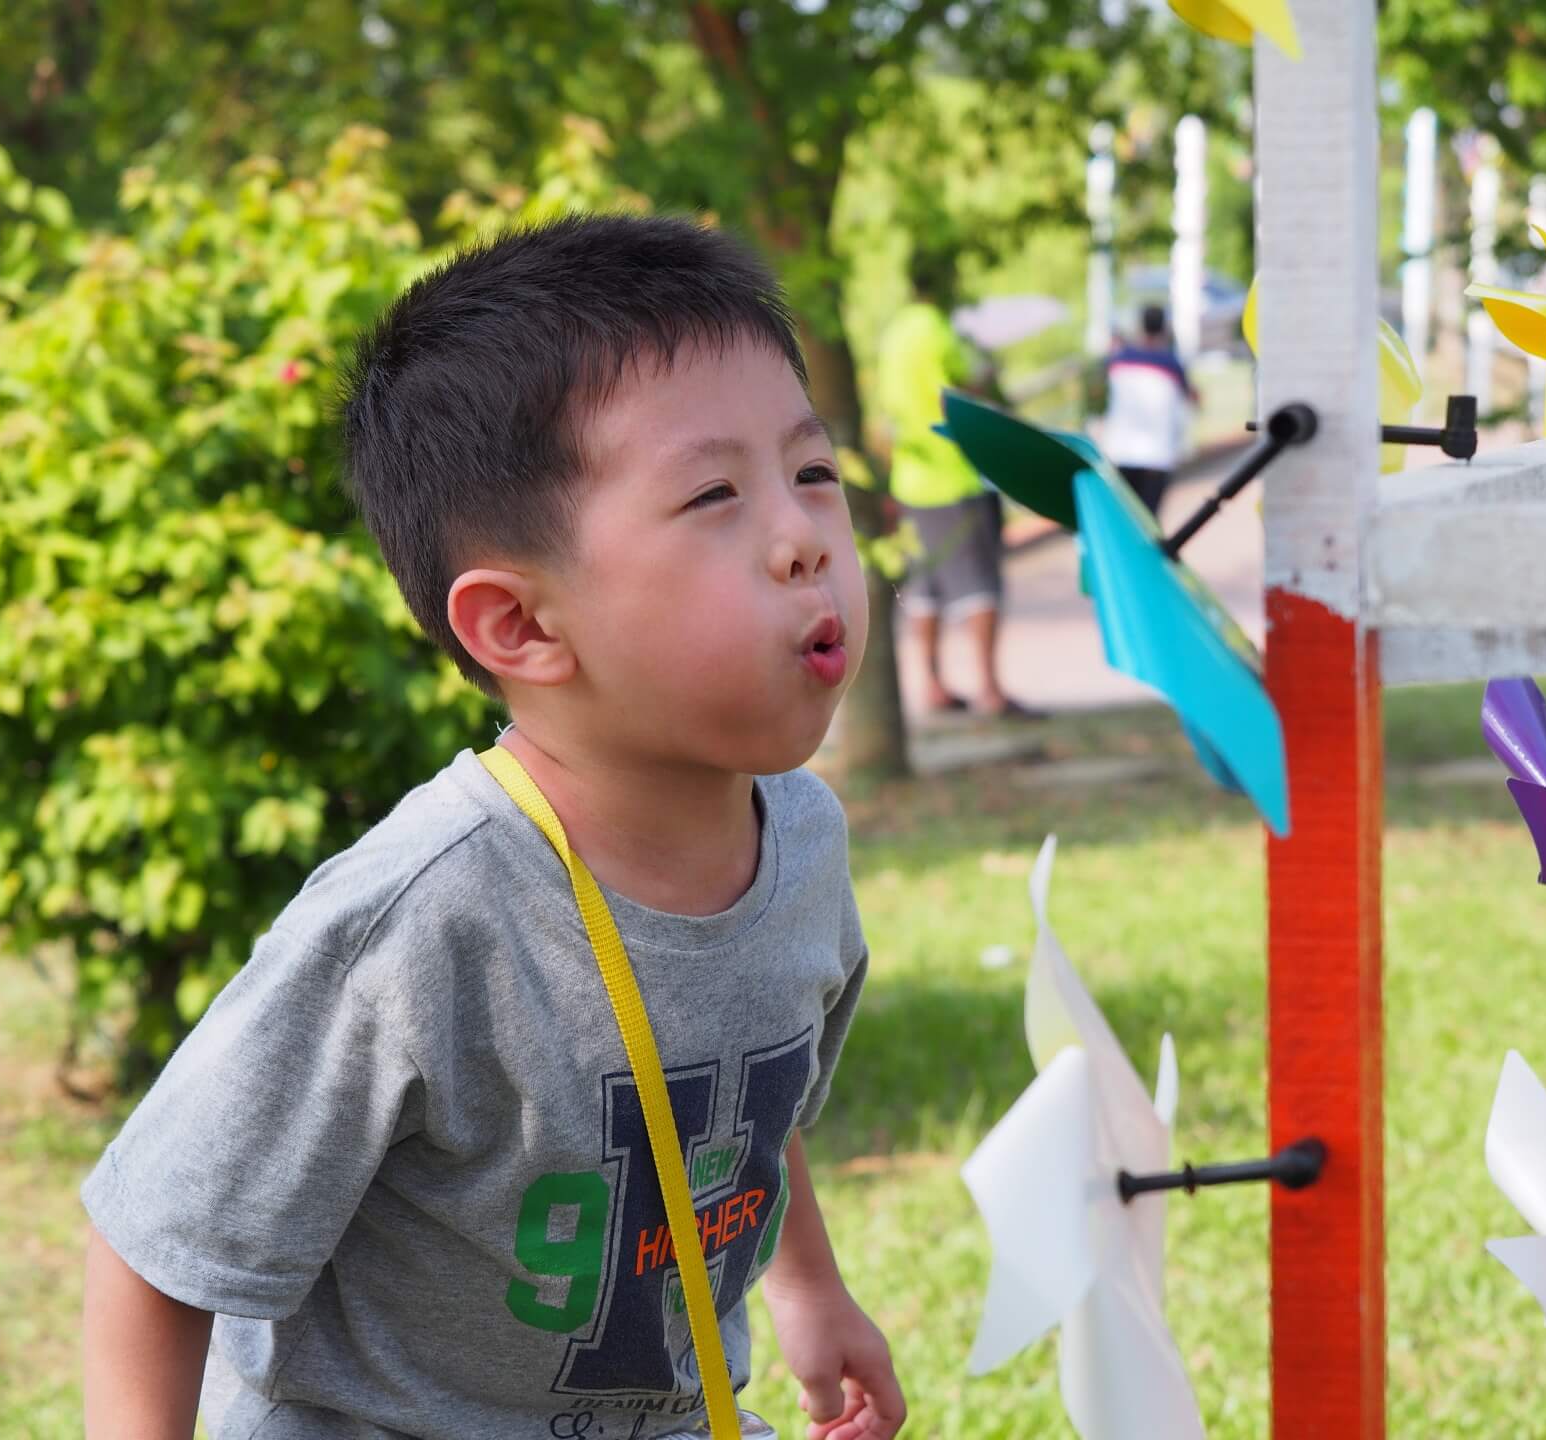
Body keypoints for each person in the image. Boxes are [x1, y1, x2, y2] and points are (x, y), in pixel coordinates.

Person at [80, 215, 906, 1440]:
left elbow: (730, 1116)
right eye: (715, 493)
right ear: (520, 627)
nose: (803, 541)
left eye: (814, 471)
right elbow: (154, 1248)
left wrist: (810, 1289)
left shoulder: (801, 842)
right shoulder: (417, 922)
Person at [878, 251, 1031, 719]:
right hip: (956, 472)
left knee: (925, 588)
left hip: (911, 477)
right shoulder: (942, 331)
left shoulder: (894, 333)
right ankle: (989, 688)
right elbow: (970, 386)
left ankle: (933, 684)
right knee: (980, 584)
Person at [1100, 304, 1201, 518]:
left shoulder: (1119, 359)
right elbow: (1193, 397)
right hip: (1158, 454)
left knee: (1125, 517)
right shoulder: (1171, 363)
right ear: (1164, 328)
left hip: (1121, 450)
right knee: (1149, 520)